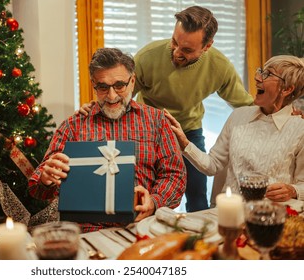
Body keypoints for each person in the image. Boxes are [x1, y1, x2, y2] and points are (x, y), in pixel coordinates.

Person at [78, 6, 254, 212]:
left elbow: (245, 104)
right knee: (146, 191)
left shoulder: (220, 67)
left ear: (207, 46)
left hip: (189, 132)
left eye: (187, 50)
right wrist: (93, 107)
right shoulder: (148, 57)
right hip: (149, 131)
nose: (177, 52)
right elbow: (118, 94)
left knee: (197, 196)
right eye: (174, 42)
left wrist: (282, 112)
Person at [29, 47, 187, 232]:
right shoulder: (73, 126)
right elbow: (37, 187)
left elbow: (175, 175)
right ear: (93, 84)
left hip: (143, 226)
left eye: (119, 85)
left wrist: (153, 201)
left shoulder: (157, 121)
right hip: (86, 231)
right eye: (103, 87)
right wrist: (46, 179)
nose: (112, 96)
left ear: (133, 81)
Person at [164, 55, 304, 202]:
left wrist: (293, 190)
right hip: (230, 212)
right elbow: (212, 165)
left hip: (271, 215)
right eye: (261, 71)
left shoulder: (299, 129)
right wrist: (185, 144)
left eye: (268, 74)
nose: (257, 77)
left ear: (287, 89)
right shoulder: (238, 116)